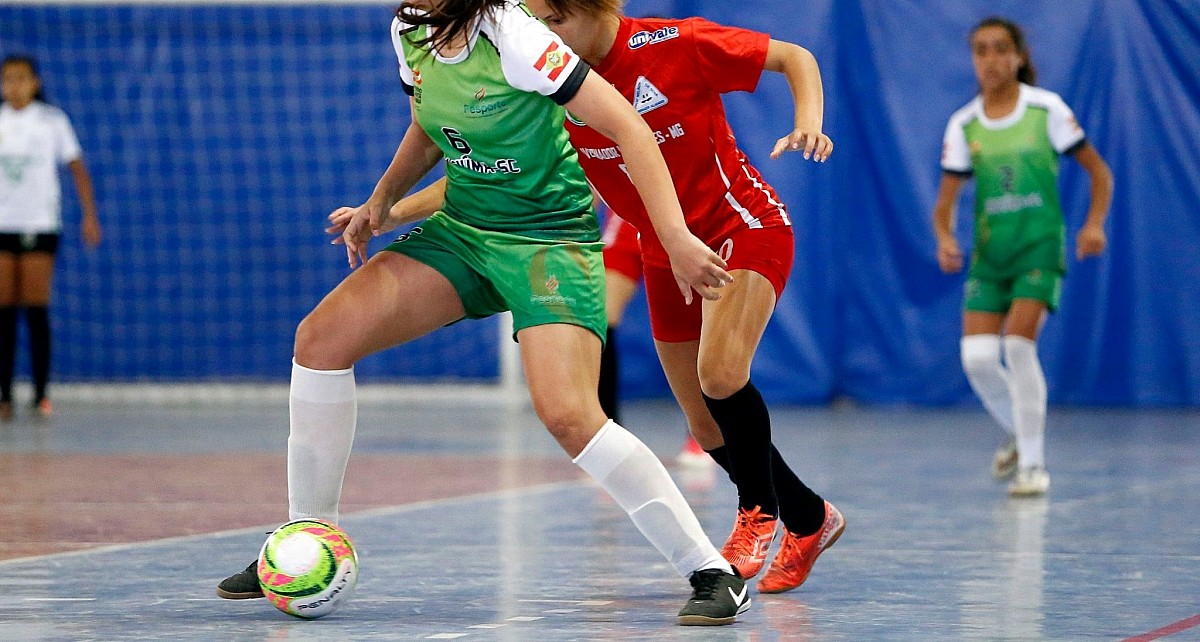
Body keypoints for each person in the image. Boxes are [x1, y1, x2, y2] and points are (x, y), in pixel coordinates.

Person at [217, 0, 750, 625]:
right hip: (466, 230)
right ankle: (307, 540)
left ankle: (712, 571)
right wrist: (382, 201)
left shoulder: (517, 36)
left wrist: (675, 236)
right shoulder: (410, 30)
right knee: (321, 340)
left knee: (571, 416)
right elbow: (428, 122)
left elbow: (630, 126)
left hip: (547, 239)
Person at [367, 0, 846, 595]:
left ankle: (758, 515)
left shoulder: (676, 43)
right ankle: (810, 517)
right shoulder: (550, 85)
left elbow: (793, 56)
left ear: (592, 9)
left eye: (552, 23)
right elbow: (483, 170)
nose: (543, 36)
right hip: (660, 250)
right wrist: (387, 209)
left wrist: (809, 119)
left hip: (739, 226)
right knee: (702, 416)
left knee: (720, 374)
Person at [933, 17, 1113, 497]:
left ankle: (1033, 467)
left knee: (1017, 346)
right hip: (991, 258)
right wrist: (945, 238)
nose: (990, 60)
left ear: (1018, 57)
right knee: (976, 359)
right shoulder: (964, 124)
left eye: (1000, 49)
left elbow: (1100, 174)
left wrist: (1093, 224)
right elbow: (945, 203)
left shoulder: (1045, 110)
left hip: (1039, 249)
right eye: (981, 51)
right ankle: (1020, 429)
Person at [0, 55, 102, 420]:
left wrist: (89, 215)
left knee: (34, 306)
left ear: (35, 82)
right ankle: (5, 395)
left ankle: (41, 393)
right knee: (4, 311)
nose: (14, 85)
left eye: (21, 78)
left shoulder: (51, 122)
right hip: (2, 225)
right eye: (7, 78)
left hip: (39, 223)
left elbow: (77, 169)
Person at [596, 202, 711, 468]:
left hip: (678, 217)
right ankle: (610, 436)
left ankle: (703, 434)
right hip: (628, 217)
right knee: (599, 316)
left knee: (691, 322)